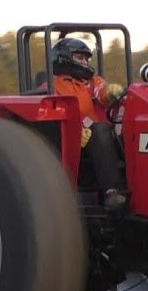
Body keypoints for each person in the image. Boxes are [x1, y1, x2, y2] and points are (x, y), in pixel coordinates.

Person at [49, 37, 127, 210]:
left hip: (99, 135)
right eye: (80, 57)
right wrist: (75, 132)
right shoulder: (53, 86)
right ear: (64, 57)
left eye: (86, 58)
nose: (85, 62)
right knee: (100, 130)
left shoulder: (92, 82)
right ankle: (112, 192)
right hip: (73, 139)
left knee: (126, 131)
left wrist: (111, 92)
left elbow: (102, 92)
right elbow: (52, 114)